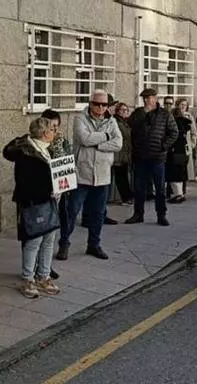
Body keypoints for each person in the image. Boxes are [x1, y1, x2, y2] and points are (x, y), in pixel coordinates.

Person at [56, 89, 122, 261]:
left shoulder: (112, 121)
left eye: (104, 104)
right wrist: (106, 136)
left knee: (98, 213)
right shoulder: (80, 118)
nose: (101, 108)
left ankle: (94, 244)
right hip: (82, 173)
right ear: (91, 103)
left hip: (102, 175)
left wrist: (98, 145)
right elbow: (84, 139)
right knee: (72, 211)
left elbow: (118, 143)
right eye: (97, 104)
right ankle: (64, 243)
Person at [8, 117, 63, 299]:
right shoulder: (27, 153)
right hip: (34, 202)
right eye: (52, 129)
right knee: (33, 241)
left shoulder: (49, 149)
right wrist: (49, 189)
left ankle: (43, 276)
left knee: (49, 240)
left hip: (50, 201)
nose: (55, 132)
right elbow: (26, 182)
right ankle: (28, 278)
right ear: (45, 133)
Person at [126, 88, 178, 226]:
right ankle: (138, 214)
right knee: (139, 187)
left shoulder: (165, 114)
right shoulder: (138, 113)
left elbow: (174, 132)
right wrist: (144, 113)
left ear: (155, 98)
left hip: (157, 156)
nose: (147, 100)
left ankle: (161, 214)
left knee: (159, 188)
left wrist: (163, 146)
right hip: (141, 156)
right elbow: (130, 124)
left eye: (150, 98)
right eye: (145, 98)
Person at [168, 98, 193, 204]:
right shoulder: (185, 123)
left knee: (174, 173)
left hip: (174, 151)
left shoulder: (174, 124)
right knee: (182, 172)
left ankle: (177, 194)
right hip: (183, 150)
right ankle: (180, 193)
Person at [112, 102, 133, 205]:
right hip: (119, 154)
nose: (125, 112)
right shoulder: (116, 122)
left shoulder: (125, 122)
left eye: (126, 110)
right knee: (120, 176)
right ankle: (125, 198)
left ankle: (127, 197)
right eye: (122, 110)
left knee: (123, 175)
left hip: (125, 153)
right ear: (117, 111)